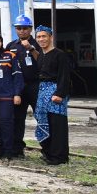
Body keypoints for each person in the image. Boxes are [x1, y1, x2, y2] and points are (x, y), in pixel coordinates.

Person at [35, 26, 71, 165]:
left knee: (57, 125)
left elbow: (65, 76)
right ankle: (48, 152)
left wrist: (60, 94)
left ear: (51, 37)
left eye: (44, 36)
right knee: (45, 122)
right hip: (43, 93)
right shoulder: (41, 54)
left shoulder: (59, 54)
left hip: (56, 93)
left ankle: (59, 156)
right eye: (38, 37)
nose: (41, 39)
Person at [6, 15, 40, 158]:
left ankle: (48, 148)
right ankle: (17, 149)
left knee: (41, 116)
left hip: (35, 85)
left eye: (25, 28)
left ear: (30, 29)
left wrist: (31, 48)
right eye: (19, 28)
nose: (22, 31)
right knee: (17, 119)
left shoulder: (39, 43)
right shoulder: (11, 46)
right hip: (18, 88)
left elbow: (44, 60)